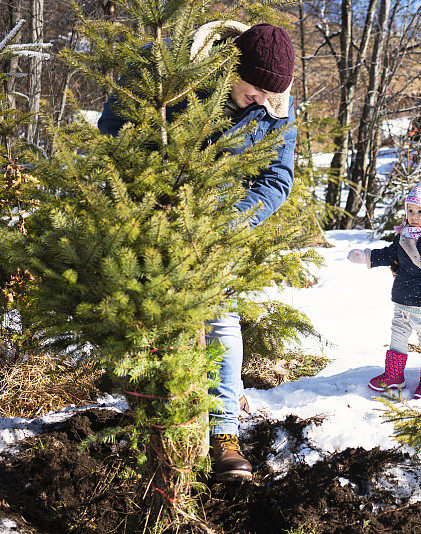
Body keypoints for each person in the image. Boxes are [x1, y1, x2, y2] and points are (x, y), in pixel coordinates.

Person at [98, 21, 297, 480]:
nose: (263, 102)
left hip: (214, 231)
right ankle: (152, 425)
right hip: (145, 219)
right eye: (255, 90)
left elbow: (276, 181)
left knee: (221, 321)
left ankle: (224, 435)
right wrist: (142, 201)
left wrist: (219, 223)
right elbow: (113, 134)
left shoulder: (277, 104)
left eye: (274, 96)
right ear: (231, 67)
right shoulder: (171, 72)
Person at [347, 170, 421, 399]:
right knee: (397, 338)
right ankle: (393, 375)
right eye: (410, 210)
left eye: (420, 211)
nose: (413, 216)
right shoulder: (404, 235)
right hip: (403, 299)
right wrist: (367, 257)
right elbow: (390, 254)